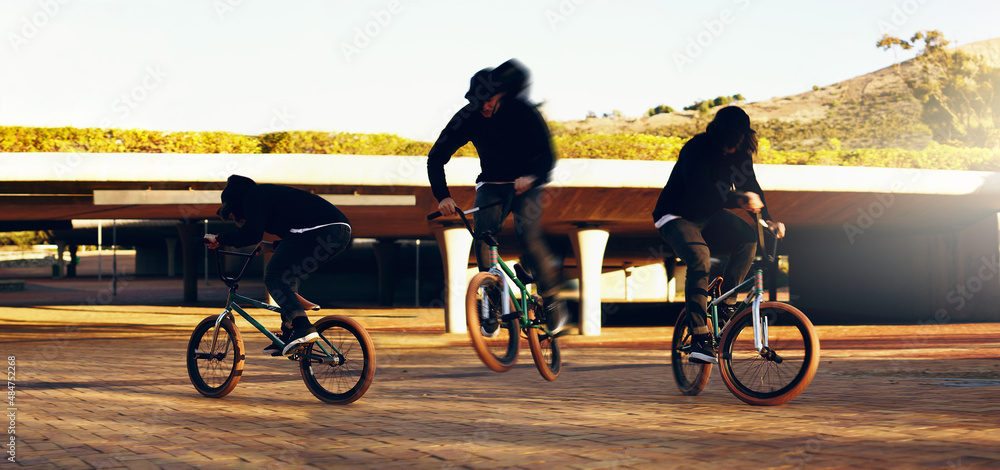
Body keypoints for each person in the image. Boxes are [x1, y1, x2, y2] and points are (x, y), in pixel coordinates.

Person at [427, 58, 570, 334]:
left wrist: (532, 177)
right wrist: (442, 197)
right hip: (491, 184)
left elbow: (548, 155)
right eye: (478, 102)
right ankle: (492, 304)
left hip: (526, 184)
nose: (484, 107)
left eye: (489, 100)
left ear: (501, 94)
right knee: (482, 235)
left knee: (527, 235)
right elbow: (436, 158)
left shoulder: (523, 112)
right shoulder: (467, 116)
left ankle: (551, 300)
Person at [652, 106, 785, 364]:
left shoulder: (742, 154)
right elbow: (699, 192)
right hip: (675, 215)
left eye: (737, 142)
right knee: (700, 257)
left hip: (709, 216)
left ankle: (727, 304)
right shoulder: (696, 148)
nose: (731, 149)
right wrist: (738, 198)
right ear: (718, 134)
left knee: (748, 238)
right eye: (728, 143)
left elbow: (752, 186)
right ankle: (699, 337)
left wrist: (768, 219)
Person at [204, 175, 352, 356]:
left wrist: (219, 238)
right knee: (286, 276)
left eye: (233, 214)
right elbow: (298, 231)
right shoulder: (266, 196)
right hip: (337, 232)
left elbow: (250, 234)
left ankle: (302, 326)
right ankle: (290, 332)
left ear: (236, 202)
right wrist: (273, 246)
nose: (238, 220)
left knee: (274, 276)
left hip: (322, 229)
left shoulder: (253, 196)